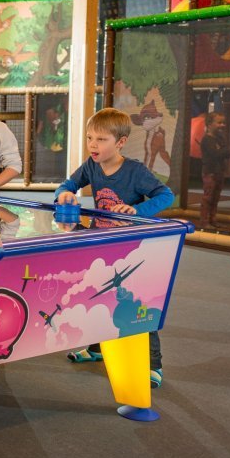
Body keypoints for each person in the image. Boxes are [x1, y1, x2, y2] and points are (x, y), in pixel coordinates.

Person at [55, 107, 174, 387]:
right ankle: (97, 349)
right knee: (99, 295)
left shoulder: (135, 171)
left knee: (139, 304)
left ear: (120, 142)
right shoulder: (91, 166)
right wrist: (66, 194)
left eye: (101, 140)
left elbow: (165, 195)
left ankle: (152, 364)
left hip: (134, 249)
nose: (93, 145)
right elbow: (67, 184)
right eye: (89, 138)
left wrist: (135, 210)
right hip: (105, 245)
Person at [199, 111, 230, 229]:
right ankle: (204, 221)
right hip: (210, 172)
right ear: (210, 124)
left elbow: (228, 152)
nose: (222, 125)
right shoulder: (207, 139)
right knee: (208, 197)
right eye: (219, 122)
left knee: (216, 197)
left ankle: (213, 219)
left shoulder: (220, 138)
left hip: (219, 171)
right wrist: (222, 151)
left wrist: (222, 151)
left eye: (223, 122)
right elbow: (215, 154)